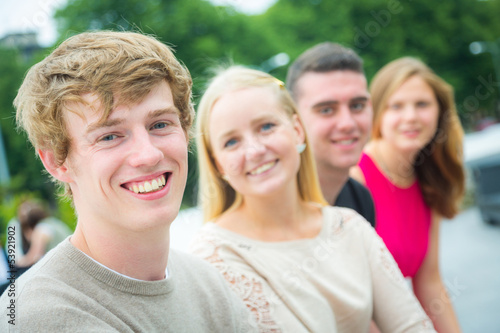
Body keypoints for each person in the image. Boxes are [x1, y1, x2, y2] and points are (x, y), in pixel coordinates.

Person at [0, 31, 255, 332]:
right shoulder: (39, 317)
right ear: (57, 161)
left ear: (186, 130)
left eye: (160, 124)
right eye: (109, 136)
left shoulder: (209, 285)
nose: (147, 154)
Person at [190, 66, 436, 332]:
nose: (255, 150)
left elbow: (411, 325)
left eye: (266, 126)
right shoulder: (211, 260)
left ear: (297, 130)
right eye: (231, 142)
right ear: (218, 165)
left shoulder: (349, 226)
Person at [351, 57, 465, 332]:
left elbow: (429, 283)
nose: (411, 116)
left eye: (422, 104)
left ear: (440, 111)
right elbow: (354, 301)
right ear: (377, 113)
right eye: (396, 106)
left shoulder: (429, 181)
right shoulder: (356, 178)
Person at [286, 42, 375, 226]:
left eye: (357, 106)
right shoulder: (272, 206)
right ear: (294, 122)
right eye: (326, 110)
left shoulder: (360, 199)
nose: (347, 123)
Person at [15, 199, 72, 267]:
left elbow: (34, 257)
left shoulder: (40, 229)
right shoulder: (51, 221)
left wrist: (17, 262)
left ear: (29, 228)